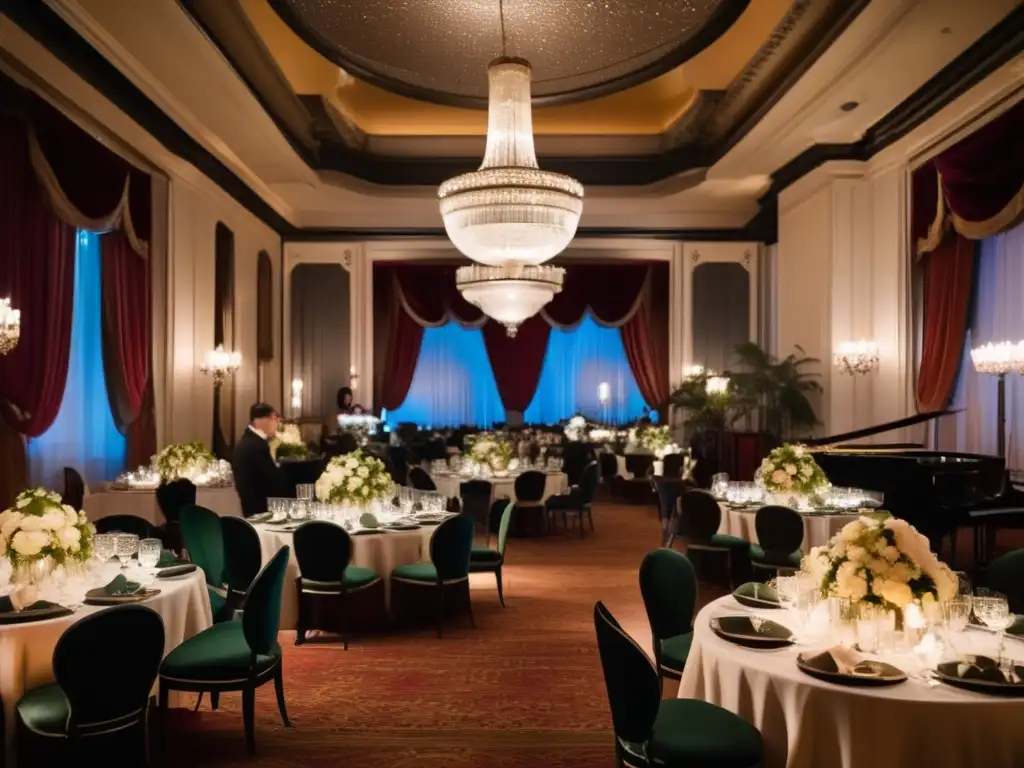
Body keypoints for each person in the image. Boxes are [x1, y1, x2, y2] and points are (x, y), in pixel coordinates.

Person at [232, 403, 291, 518]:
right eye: (274, 419)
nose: (277, 423)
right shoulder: (256, 445)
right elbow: (273, 481)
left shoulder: (245, 441)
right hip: (262, 511)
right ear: (262, 420)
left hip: (249, 508)